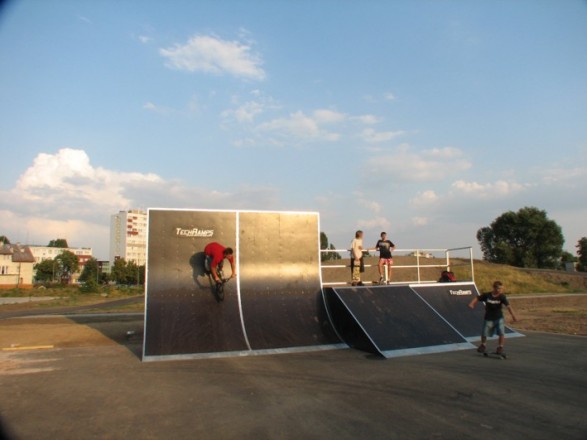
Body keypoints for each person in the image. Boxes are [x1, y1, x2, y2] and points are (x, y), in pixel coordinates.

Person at [468, 281, 518, 354]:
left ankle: (500, 347)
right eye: (498, 289)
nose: (500, 290)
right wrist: (472, 303)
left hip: (499, 317)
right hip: (488, 317)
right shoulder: (487, 295)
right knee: (484, 333)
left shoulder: (502, 296)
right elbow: (477, 298)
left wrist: (513, 316)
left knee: (501, 333)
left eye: (501, 289)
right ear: (494, 288)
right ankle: (483, 345)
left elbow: (508, 306)